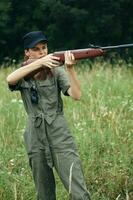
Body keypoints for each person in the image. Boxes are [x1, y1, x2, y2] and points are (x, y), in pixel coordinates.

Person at [7, 31, 91, 200]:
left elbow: (76, 95)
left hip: (59, 134)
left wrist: (70, 68)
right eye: (36, 49)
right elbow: (10, 79)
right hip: (35, 136)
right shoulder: (25, 74)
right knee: (44, 193)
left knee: (77, 190)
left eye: (44, 48)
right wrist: (38, 64)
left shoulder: (56, 71)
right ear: (27, 52)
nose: (42, 52)